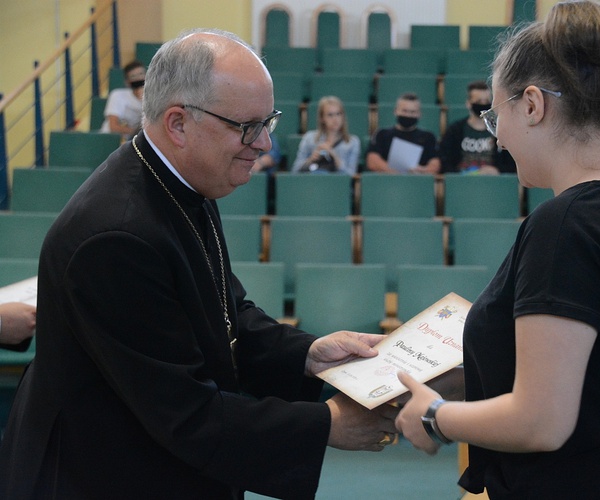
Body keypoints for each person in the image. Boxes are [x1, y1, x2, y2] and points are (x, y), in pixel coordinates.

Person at [0, 28, 398, 500]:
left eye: (268, 120)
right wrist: (327, 424)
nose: (266, 143)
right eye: (248, 126)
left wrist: (308, 357)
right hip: (100, 474)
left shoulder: (181, 179)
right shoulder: (117, 237)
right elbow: (183, 411)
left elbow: (227, 314)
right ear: (178, 124)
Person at [394, 2, 600, 498]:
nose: (497, 138)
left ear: (531, 105)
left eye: (493, 115)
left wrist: (436, 418)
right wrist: (445, 383)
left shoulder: (567, 224)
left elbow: (542, 421)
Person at [439, 80, 516, 175]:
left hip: (493, 183)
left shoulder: (500, 130)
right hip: (462, 183)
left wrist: (498, 171)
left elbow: (512, 163)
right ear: (468, 103)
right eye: (479, 101)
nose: (483, 104)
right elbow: (445, 162)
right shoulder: (455, 130)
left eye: (486, 101)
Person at [366, 92, 440, 174]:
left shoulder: (428, 137)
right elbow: (372, 161)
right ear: (395, 111)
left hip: (418, 181)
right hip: (388, 180)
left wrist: (423, 170)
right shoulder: (382, 134)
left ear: (419, 114)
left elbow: (435, 164)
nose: (408, 115)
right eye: (404, 111)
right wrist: (394, 171)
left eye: (413, 112)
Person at [292, 96, 361, 175]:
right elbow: (295, 171)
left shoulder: (352, 142)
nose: (335, 119)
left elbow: (351, 175)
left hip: (338, 184)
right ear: (322, 118)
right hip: (312, 183)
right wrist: (311, 160)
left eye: (338, 114)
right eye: (330, 115)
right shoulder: (309, 138)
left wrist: (334, 156)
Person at [100, 60, 146, 139]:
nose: (138, 79)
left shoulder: (154, 98)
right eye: (133, 76)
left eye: (141, 74)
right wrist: (137, 133)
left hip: (134, 141)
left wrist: (144, 99)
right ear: (127, 82)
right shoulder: (117, 95)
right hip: (111, 139)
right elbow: (113, 127)